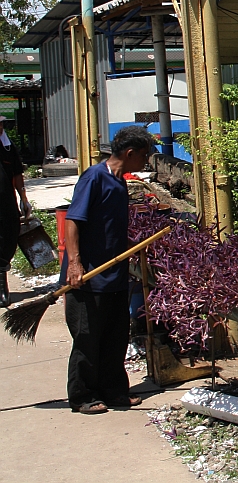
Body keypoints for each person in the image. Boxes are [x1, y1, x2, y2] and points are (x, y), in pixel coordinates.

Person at [60, 125, 152, 414]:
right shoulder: (93, 178)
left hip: (114, 273)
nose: (146, 162)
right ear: (130, 153)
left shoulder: (119, 182)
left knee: (116, 335)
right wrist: (74, 263)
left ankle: (114, 391)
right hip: (88, 275)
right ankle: (83, 396)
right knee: (88, 337)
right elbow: (73, 220)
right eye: (144, 156)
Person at [0, 116, 32, 308]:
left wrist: (24, 198)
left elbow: (17, 174)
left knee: (6, 239)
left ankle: (2, 288)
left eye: (2, 124)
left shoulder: (7, 146)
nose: (1, 128)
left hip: (5, 204)